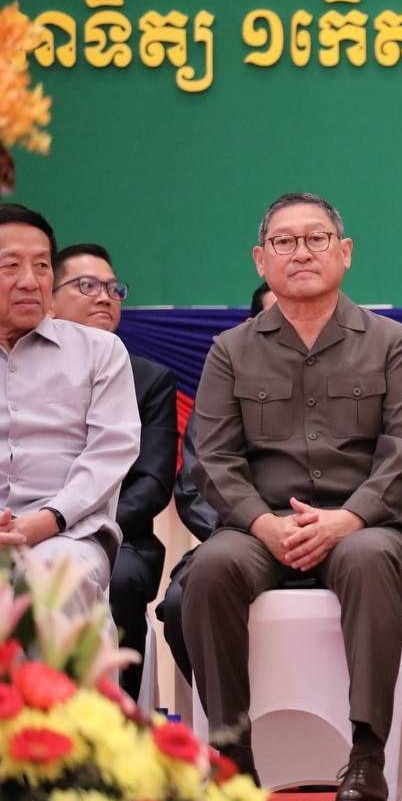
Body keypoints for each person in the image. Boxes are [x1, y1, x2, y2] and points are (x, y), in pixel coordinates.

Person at [182, 193, 402, 801]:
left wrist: (349, 518)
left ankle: (366, 756)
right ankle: (232, 757)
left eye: (316, 238)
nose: (301, 252)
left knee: (368, 558)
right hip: (262, 527)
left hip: (367, 522)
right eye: (284, 242)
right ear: (260, 260)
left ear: (344, 253)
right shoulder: (230, 350)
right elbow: (212, 458)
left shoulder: (390, 341)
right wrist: (262, 525)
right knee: (210, 568)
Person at [0, 204, 140, 629]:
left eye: (42, 265)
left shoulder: (100, 351)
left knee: (52, 578)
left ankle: (64, 680)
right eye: (10, 265)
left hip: (68, 533)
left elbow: (109, 454)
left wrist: (46, 520)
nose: (30, 280)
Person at [52, 242, 178, 700]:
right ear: (48, 298)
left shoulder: (150, 379)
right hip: (25, 529)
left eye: (113, 288)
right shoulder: (18, 372)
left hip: (120, 538)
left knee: (118, 580)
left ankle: (119, 719)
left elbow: (152, 483)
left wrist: (72, 525)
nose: (105, 297)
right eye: (87, 286)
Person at [157, 282, 275, 684]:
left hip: (324, 542)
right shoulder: (220, 393)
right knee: (180, 602)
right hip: (237, 540)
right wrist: (256, 533)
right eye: (276, 318)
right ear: (251, 327)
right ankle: (219, 717)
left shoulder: (343, 384)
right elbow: (195, 489)